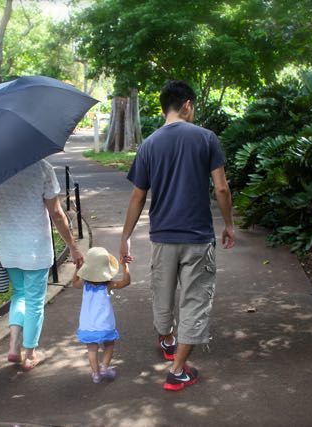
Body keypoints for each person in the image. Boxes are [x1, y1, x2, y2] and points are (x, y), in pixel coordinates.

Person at [120, 80, 236, 391]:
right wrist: (229, 224)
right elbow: (222, 188)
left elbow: (137, 197)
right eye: (193, 107)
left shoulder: (149, 145)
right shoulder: (206, 139)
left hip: (162, 237)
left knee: (163, 293)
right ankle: (178, 370)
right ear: (186, 104)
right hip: (198, 237)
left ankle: (168, 341)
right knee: (195, 300)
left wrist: (125, 237)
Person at [0, 159, 84, 371]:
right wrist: (72, 246)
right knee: (35, 301)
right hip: (36, 247)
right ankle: (29, 354)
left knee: (19, 294)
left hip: (8, 245)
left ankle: (12, 347)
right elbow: (56, 212)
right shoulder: (42, 168)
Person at [71, 247, 131, 383]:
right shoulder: (108, 285)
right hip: (105, 322)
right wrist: (125, 266)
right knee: (109, 344)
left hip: (88, 323)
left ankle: (96, 374)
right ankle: (104, 367)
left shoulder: (85, 284)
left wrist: (77, 270)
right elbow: (126, 282)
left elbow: (74, 283)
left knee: (92, 349)